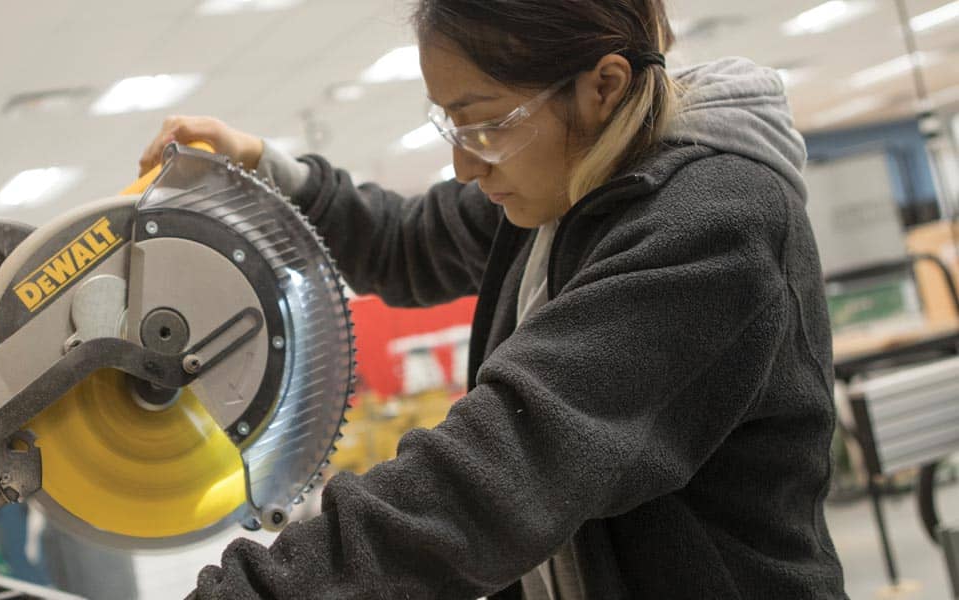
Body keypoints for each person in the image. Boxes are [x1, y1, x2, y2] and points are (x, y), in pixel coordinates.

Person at [140, 1, 846, 598]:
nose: (465, 164)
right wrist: (265, 168)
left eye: (485, 124)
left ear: (603, 85)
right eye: (452, 124)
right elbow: (406, 241)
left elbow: (498, 475)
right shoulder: (569, 189)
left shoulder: (714, 227)